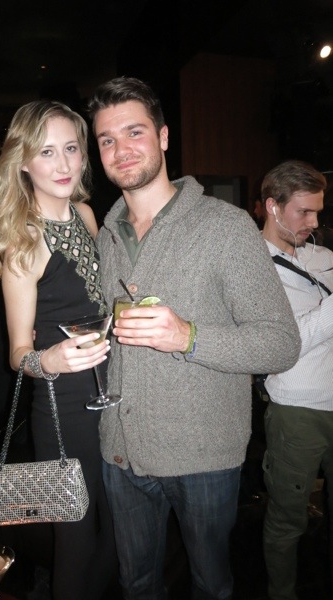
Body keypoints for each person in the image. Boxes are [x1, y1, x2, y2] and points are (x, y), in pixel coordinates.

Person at [86, 76, 301, 600]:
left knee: (211, 585)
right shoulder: (107, 235)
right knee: (136, 584)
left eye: (134, 132)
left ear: (163, 137)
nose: (120, 149)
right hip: (121, 452)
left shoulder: (225, 227)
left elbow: (281, 343)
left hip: (203, 456)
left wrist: (188, 336)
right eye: (107, 139)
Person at [0, 99, 117, 600]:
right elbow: (17, 352)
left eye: (71, 149)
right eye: (46, 152)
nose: (63, 164)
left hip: (111, 392)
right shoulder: (22, 239)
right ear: (23, 162)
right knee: (77, 539)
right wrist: (50, 360)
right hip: (65, 408)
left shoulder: (86, 213)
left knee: (117, 527)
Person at [260, 159, 333, 600]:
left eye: (318, 212)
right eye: (304, 212)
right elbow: (283, 345)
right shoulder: (252, 268)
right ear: (273, 206)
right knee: (289, 518)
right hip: (298, 410)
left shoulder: (323, 257)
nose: (314, 222)